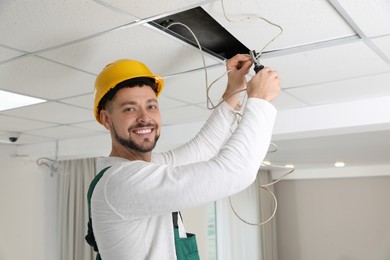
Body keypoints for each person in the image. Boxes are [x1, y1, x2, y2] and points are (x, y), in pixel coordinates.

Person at [87, 54, 280, 260]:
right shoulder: (121, 182)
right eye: (129, 109)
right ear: (107, 119)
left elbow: (201, 150)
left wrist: (233, 91)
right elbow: (235, 172)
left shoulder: (142, 169)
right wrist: (260, 101)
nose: (145, 118)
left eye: (151, 106)